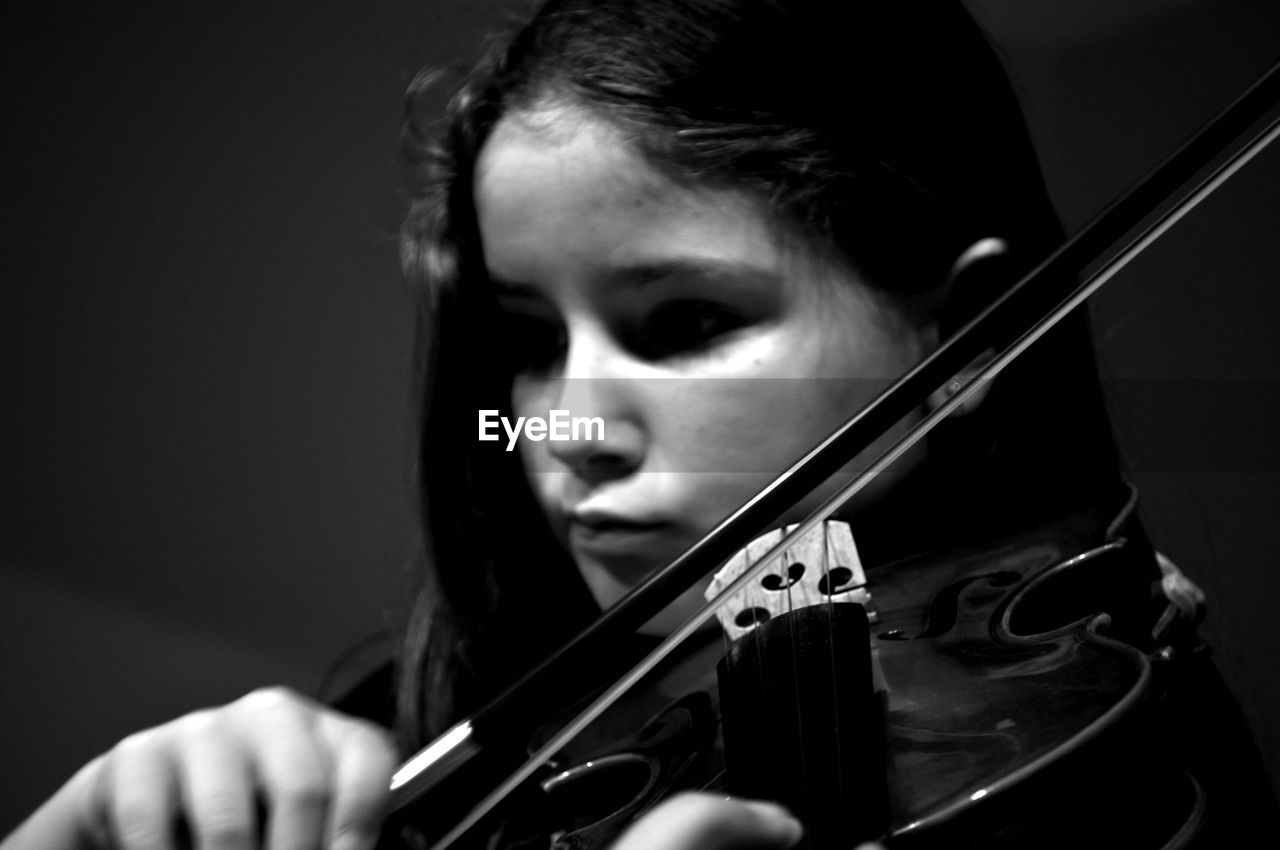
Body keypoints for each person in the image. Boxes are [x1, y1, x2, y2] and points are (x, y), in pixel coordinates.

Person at [3, 1, 1273, 848]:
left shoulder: (1101, 764)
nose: (566, 429)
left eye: (682, 324)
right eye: (530, 339)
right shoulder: (414, 763)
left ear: (964, 339)